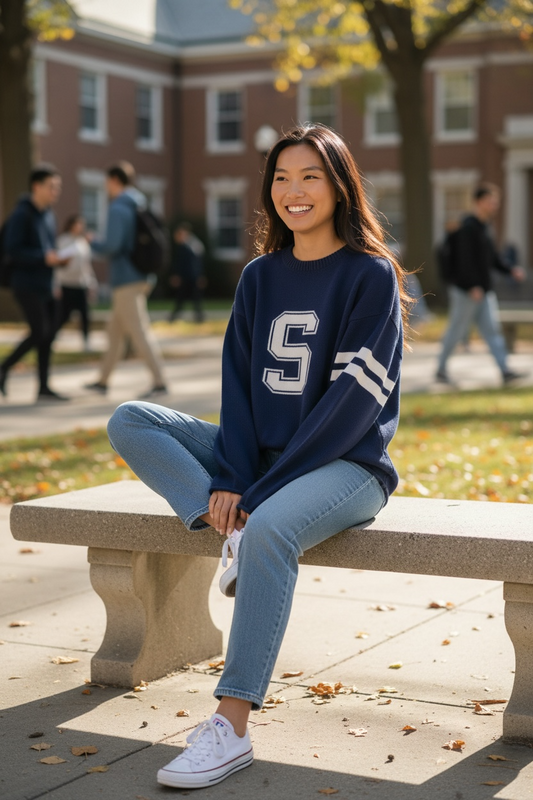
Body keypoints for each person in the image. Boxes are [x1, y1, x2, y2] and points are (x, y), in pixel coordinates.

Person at [106, 124, 409, 790]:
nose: (293, 191)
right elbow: (238, 393)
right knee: (131, 419)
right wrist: (231, 478)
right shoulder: (258, 277)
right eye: (280, 178)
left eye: (309, 177)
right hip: (264, 462)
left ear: (338, 185)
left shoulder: (368, 276)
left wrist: (261, 489)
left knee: (270, 523)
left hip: (346, 466)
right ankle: (230, 531)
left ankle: (231, 726)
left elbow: (351, 406)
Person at [85, 161, 167, 398]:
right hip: (141, 276)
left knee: (139, 331)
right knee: (115, 332)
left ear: (114, 181)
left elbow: (112, 245)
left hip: (126, 280)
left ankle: (160, 380)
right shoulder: (138, 204)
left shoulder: (118, 208)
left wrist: (92, 242)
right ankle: (102, 380)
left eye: (107, 182)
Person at [436, 183, 525, 385]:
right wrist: (472, 286)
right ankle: (441, 369)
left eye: (496, 201)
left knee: (492, 331)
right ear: (478, 202)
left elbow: (492, 258)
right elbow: (465, 261)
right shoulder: (468, 227)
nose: (494, 205)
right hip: (467, 291)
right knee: (457, 330)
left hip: (484, 291)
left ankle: (505, 370)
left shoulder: (485, 227)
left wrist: (510, 270)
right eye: (490, 200)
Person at [0, 163, 69, 401]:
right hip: (25, 283)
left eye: (57, 187)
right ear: (36, 186)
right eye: (52, 186)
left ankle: (43, 387)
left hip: (46, 283)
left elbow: (50, 251)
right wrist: (43, 257)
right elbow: (13, 250)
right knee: (40, 331)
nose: (55, 192)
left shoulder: (49, 215)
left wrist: (57, 267)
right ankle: (4, 368)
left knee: (48, 335)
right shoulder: (22, 214)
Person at [54, 214, 98, 351]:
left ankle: (86, 342)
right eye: (78, 224)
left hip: (81, 284)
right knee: (63, 315)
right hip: (66, 283)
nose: (80, 227)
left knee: (85, 315)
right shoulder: (63, 240)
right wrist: (55, 285)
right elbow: (58, 261)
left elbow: (87, 265)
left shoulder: (82, 242)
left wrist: (92, 283)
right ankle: (52, 338)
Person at [168, 222, 206, 323]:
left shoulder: (186, 247)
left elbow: (184, 264)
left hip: (188, 277)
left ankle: (197, 318)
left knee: (186, 298)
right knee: (188, 298)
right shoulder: (194, 244)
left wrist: (177, 275)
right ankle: (198, 318)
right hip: (192, 276)